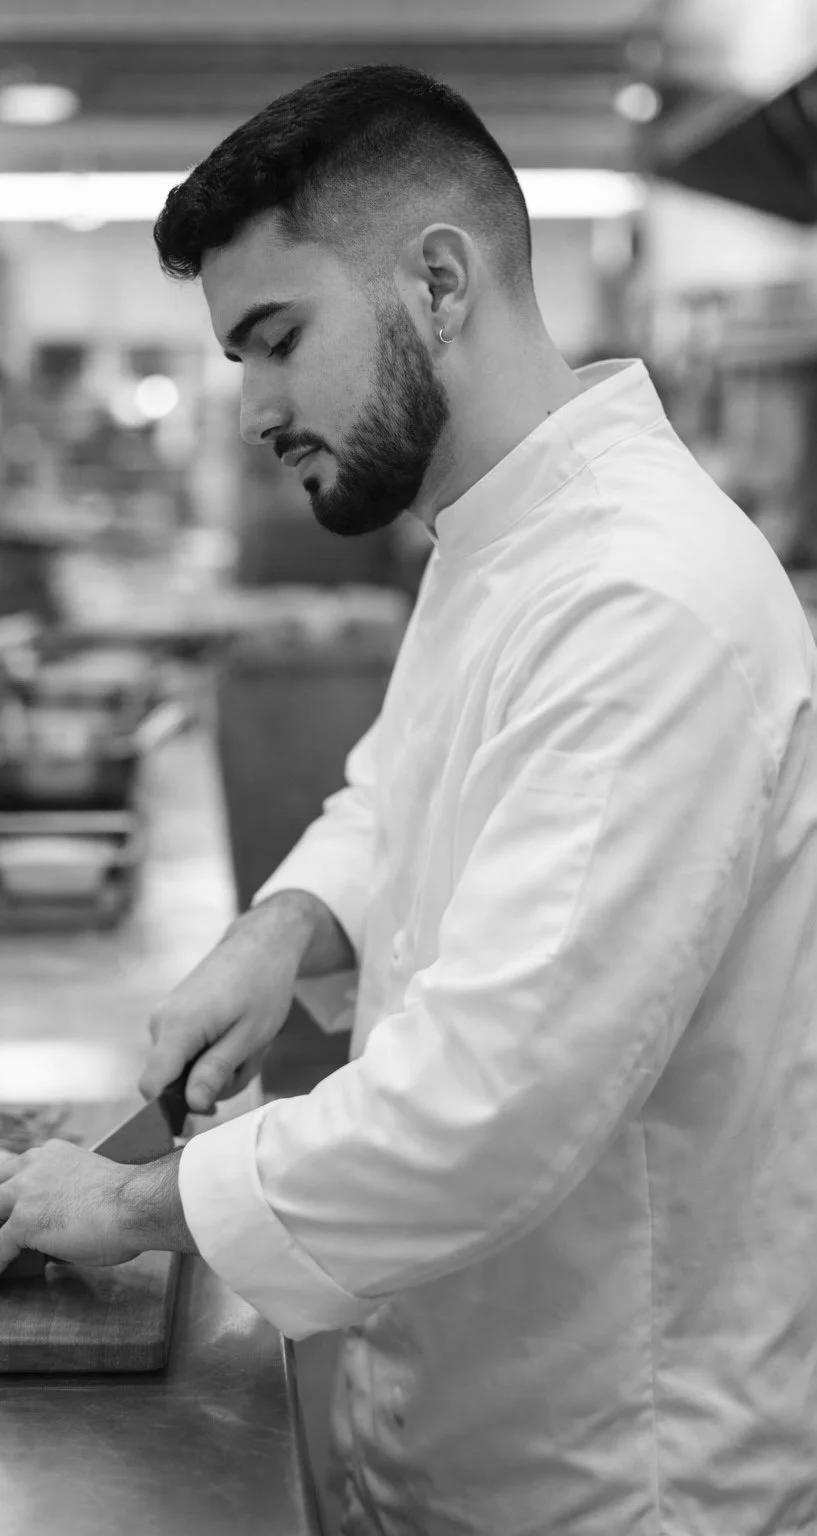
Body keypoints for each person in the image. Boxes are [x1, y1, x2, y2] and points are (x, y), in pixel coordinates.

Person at [2, 63, 817, 1536]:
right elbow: (403, 788)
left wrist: (130, 1206)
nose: (249, 410)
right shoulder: (495, 534)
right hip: (464, 1426)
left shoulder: (647, 600)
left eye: (275, 339)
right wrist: (284, 927)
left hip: (615, 1480)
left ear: (437, 281)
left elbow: (487, 1103)